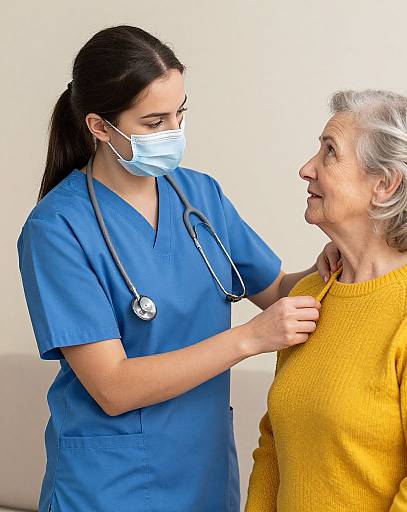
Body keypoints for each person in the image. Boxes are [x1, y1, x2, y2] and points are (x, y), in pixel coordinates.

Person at [16, 25, 340, 512]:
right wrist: (249, 339)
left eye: (180, 113)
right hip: (110, 485)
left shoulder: (199, 195)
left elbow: (274, 288)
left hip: (203, 470)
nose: (173, 131)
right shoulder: (58, 229)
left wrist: (329, 263)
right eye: (153, 121)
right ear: (100, 126)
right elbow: (112, 386)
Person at [245, 89, 407, 511]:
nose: (306, 169)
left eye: (329, 152)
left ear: (385, 184)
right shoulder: (311, 295)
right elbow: (274, 449)